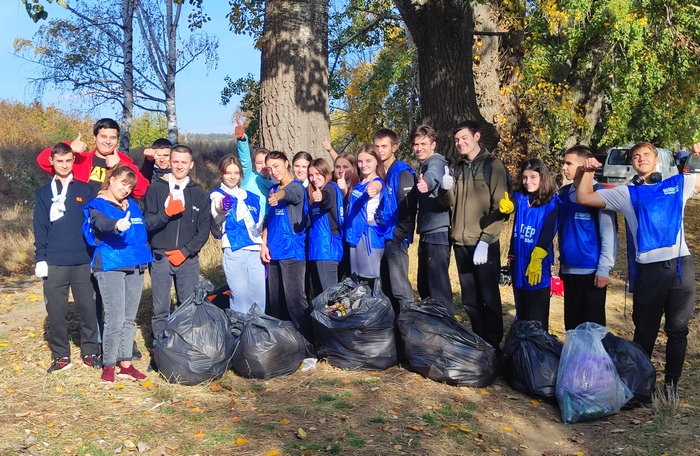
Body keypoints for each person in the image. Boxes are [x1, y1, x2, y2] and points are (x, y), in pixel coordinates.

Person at [577, 141, 699, 397]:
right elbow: (584, 197)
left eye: (646, 154)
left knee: (678, 330)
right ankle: (641, 386)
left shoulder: (679, 184)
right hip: (649, 271)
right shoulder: (625, 193)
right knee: (645, 330)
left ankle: (671, 387)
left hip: (680, 267)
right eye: (636, 156)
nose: (641, 158)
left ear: (657, 160)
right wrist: (588, 171)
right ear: (632, 163)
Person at [440, 120, 511, 350]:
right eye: (456, 140)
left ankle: (493, 345)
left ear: (476, 137)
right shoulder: (458, 168)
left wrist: (486, 240)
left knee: (489, 298)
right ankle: (478, 342)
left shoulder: (493, 166)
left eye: (464, 138)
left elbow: (500, 207)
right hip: (461, 242)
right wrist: (445, 188)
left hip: (484, 244)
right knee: (470, 300)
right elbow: (448, 203)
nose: (460, 143)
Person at [33, 143, 101, 373]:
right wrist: (40, 258)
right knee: (56, 311)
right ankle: (61, 355)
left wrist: (95, 255)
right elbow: (40, 227)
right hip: (54, 261)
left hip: (82, 260)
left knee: (88, 308)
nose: (64, 165)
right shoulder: (43, 193)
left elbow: (94, 225)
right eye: (59, 161)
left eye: (68, 160)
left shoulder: (85, 190)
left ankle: (90, 351)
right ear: (52, 162)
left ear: (73, 161)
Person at [83, 165, 152, 382]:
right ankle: (109, 364)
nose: (126, 189)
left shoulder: (132, 205)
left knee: (129, 318)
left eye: (130, 186)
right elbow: (100, 223)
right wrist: (116, 225)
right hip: (111, 263)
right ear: (111, 179)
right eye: (123, 183)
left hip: (135, 263)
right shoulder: (97, 205)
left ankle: (126, 364)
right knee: (115, 318)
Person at [143, 145, 211, 346]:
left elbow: (204, 229)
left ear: (191, 165)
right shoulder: (155, 189)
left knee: (187, 306)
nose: (179, 166)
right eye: (176, 162)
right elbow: (148, 223)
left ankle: (185, 348)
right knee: (160, 309)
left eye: (184, 162)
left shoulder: (199, 194)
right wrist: (165, 214)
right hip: (161, 258)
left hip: (187, 260)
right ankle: (160, 348)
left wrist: (186, 251)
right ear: (169, 163)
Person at [559, 145, 617, 330]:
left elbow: (609, 234)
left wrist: (604, 269)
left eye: (569, 163)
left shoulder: (599, 195)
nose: (564, 167)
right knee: (572, 327)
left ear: (584, 166)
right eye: (564, 163)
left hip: (591, 272)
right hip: (569, 270)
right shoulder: (563, 193)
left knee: (593, 329)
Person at [260, 151, 313, 350]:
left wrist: (278, 197)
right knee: (276, 303)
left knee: (295, 302)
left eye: (276, 166)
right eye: (269, 168)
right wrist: (264, 244)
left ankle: (308, 348)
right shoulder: (272, 188)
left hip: (292, 253)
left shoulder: (297, 187)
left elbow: (288, 194)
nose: (274, 171)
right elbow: (268, 220)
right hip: (273, 253)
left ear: (286, 164)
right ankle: (286, 348)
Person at [36, 118, 149, 199]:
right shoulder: (79, 160)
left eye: (112, 138)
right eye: (103, 136)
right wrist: (69, 147)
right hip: (80, 217)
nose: (108, 141)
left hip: (110, 219)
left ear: (117, 140)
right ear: (95, 138)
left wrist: (120, 165)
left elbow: (142, 190)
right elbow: (42, 160)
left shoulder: (125, 162)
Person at [210, 154, 266, 313]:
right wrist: (223, 206)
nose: (232, 176)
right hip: (234, 249)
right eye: (228, 173)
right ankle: (240, 327)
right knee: (240, 295)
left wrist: (263, 246)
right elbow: (217, 210)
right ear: (221, 174)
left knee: (259, 296)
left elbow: (259, 225)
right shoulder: (217, 195)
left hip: (255, 250)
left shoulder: (252, 197)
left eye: (236, 172)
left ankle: (258, 326)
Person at [510, 158, 560, 331]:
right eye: (524, 177)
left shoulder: (552, 201)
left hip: (537, 263)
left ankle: (538, 346)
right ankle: (521, 346)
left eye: (533, 177)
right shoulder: (520, 197)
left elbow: (549, 230)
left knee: (537, 317)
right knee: (522, 313)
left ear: (542, 178)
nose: (528, 182)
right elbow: (512, 203)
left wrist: (537, 256)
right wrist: (507, 206)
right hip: (519, 264)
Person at [373, 128, 417, 314]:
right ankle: (394, 327)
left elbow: (408, 208)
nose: (380, 150)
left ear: (394, 147)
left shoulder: (402, 171)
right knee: (387, 288)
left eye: (384, 146)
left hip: (395, 238)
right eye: (377, 146)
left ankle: (410, 323)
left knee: (400, 289)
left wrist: (398, 236)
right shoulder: (379, 172)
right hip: (381, 237)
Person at [412, 124, 453, 315]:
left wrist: (426, 183)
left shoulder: (435, 162)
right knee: (425, 285)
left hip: (438, 234)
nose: (419, 148)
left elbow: (433, 175)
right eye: (416, 144)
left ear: (433, 144)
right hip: (429, 232)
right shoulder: (426, 163)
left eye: (423, 144)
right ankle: (432, 325)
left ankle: (445, 325)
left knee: (438, 289)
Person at [344, 145, 394, 277]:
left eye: (368, 161)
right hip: (355, 234)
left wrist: (373, 190)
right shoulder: (360, 182)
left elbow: (377, 186)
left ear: (377, 161)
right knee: (356, 280)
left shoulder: (377, 181)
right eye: (360, 161)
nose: (363, 165)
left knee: (369, 279)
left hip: (368, 236)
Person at [307, 158, 344, 293]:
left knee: (329, 295)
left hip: (327, 250)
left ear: (325, 172)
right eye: (311, 175)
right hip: (317, 250)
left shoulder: (330, 188)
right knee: (320, 296)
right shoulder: (313, 191)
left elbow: (327, 198)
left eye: (318, 174)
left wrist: (321, 196)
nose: (314, 178)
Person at [235, 120, 274, 218]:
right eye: (259, 163)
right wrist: (242, 141)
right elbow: (245, 162)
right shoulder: (249, 179)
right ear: (254, 164)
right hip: (253, 225)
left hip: (273, 224)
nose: (263, 166)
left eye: (265, 162)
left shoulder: (276, 181)